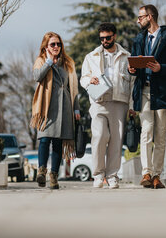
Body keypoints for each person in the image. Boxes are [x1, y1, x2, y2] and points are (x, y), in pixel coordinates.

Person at [128, 5, 166, 189]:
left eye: (140, 17)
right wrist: (131, 69)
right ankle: (146, 172)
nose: (138, 20)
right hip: (144, 90)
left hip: (162, 91)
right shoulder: (138, 39)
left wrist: (161, 68)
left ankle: (157, 175)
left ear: (150, 17)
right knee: (146, 131)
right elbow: (134, 62)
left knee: (160, 135)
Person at [80, 23, 133, 189]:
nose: (104, 41)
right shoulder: (91, 56)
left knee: (116, 140)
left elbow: (132, 82)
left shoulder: (126, 56)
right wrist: (90, 81)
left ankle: (112, 176)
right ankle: (98, 175)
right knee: (100, 136)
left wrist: (131, 106)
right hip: (98, 101)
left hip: (119, 101)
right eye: (102, 38)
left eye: (108, 37)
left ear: (114, 36)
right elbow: (83, 78)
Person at [31, 32, 80, 189]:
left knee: (58, 143)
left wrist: (76, 109)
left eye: (58, 44)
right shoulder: (40, 60)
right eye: (53, 44)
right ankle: (41, 172)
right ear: (46, 46)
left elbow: (73, 88)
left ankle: (54, 176)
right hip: (46, 106)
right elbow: (37, 77)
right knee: (44, 139)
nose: (56, 47)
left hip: (64, 106)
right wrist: (48, 62)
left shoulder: (68, 63)